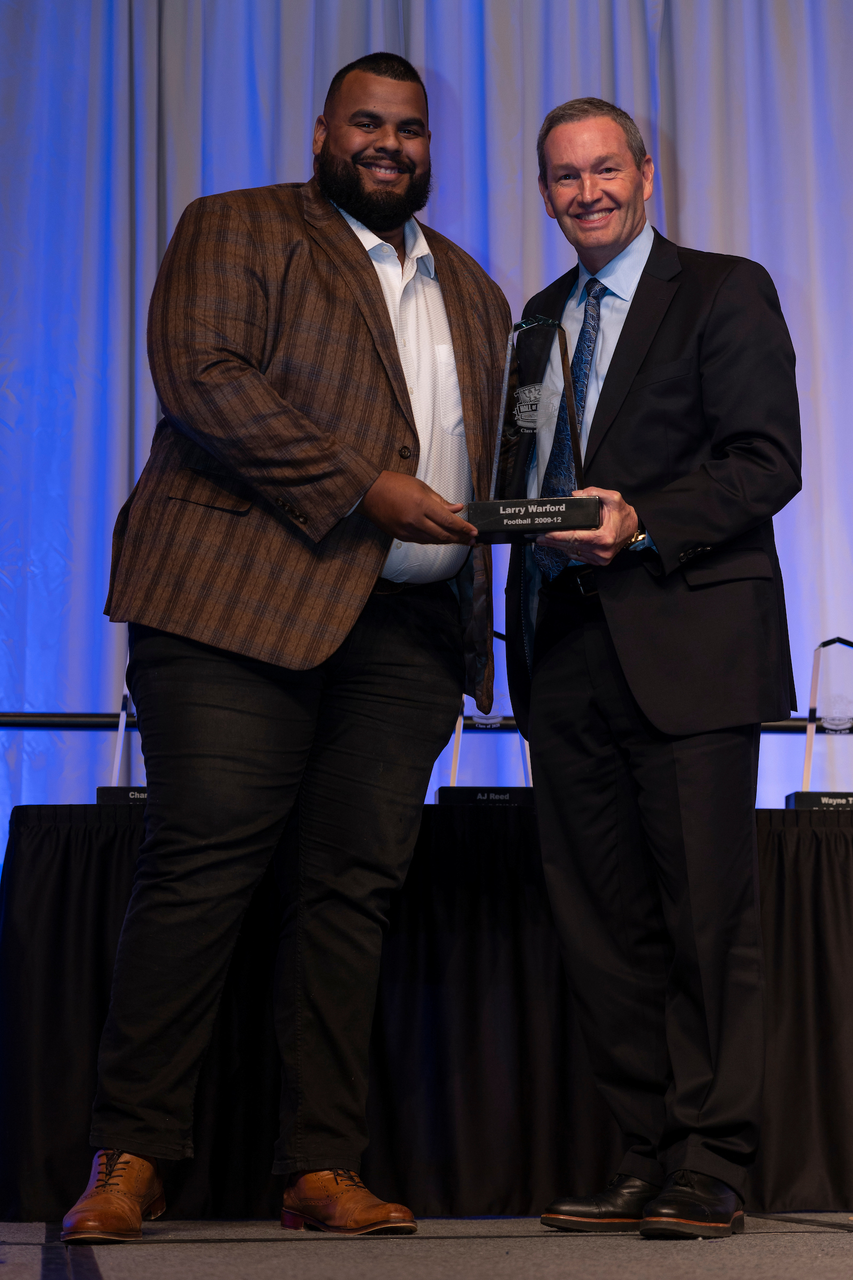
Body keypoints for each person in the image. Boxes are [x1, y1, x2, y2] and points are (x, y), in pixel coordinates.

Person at [61, 52, 510, 1242]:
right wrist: (367, 486)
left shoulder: (474, 288)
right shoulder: (237, 226)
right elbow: (204, 378)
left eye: (410, 128)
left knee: (350, 890)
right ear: (322, 134)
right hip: (235, 605)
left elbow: (493, 460)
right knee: (201, 866)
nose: (389, 143)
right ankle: (131, 1152)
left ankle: (321, 1161)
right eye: (367, 122)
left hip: (408, 631)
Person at [504, 98, 801, 1239]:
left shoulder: (723, 289)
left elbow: (765, 461)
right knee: (600, 922)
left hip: (688, 647)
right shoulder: (536, 320)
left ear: (645, 172)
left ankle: (710, 1161)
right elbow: (523, 478)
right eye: (564, 177)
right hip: (563, 653)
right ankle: (641, 1152)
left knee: (703, 919)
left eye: (604, 170)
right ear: (544, 194)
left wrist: (640, 520)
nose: (587, 192)